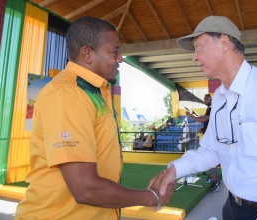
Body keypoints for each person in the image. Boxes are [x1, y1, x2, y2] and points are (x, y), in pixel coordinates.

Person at [151, 16, 257, 220]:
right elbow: (212, 150)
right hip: (234, 209)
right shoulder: (220, 98)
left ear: (224, 43)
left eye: (198, 47)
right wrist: (174, 169)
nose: (194, 57)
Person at [15, 17, 175, 220]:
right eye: (114, 52)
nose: (120, 59)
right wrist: (151, 197)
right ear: (87, 54)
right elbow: (85, 189)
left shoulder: (96, 91)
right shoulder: (68, 94)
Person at [186, 94, 220, 193]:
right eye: (204, 98)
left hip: (211, 138)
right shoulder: (210, 108)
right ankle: (212, 177)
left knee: (210, 157)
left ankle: (215, 181)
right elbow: (207, 122)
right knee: (209, 157)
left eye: (207, 98)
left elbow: (202, 120)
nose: (205, 100)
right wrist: (203, 128)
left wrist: (190, 115)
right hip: (209, 136)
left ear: (211, 99)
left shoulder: (211, 109)